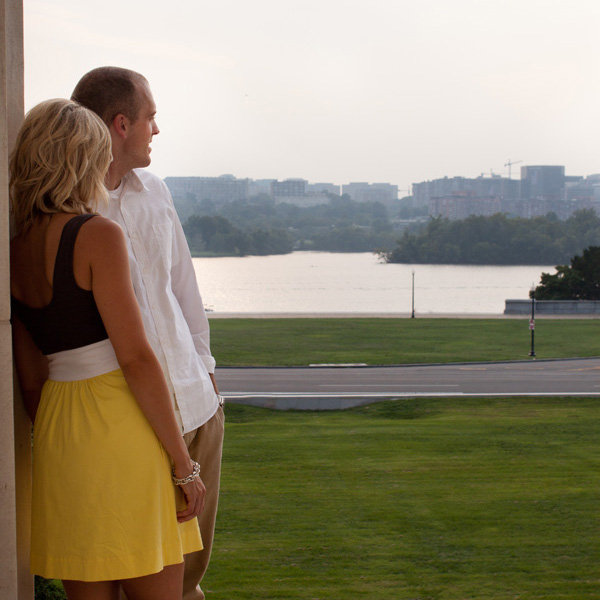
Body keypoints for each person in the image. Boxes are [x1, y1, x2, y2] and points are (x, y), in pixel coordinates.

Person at [10, 99, 205, 600]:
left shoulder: (14, 247)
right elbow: (137, 357)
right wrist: (185, 466)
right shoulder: (97, 235)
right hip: (120, 426)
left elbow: (30, 376)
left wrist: (60, 434)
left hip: (59, 431)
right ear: (82, 160)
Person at [71, 67, 224, 600]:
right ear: (120, 124)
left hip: (198, 405)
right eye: (150, 117)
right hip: (133, 422)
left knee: (188, 579)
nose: (156, 130)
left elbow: (183, 284)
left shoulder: (156, 191)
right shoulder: (73, 214)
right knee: (131, 570)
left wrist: (205, 370)